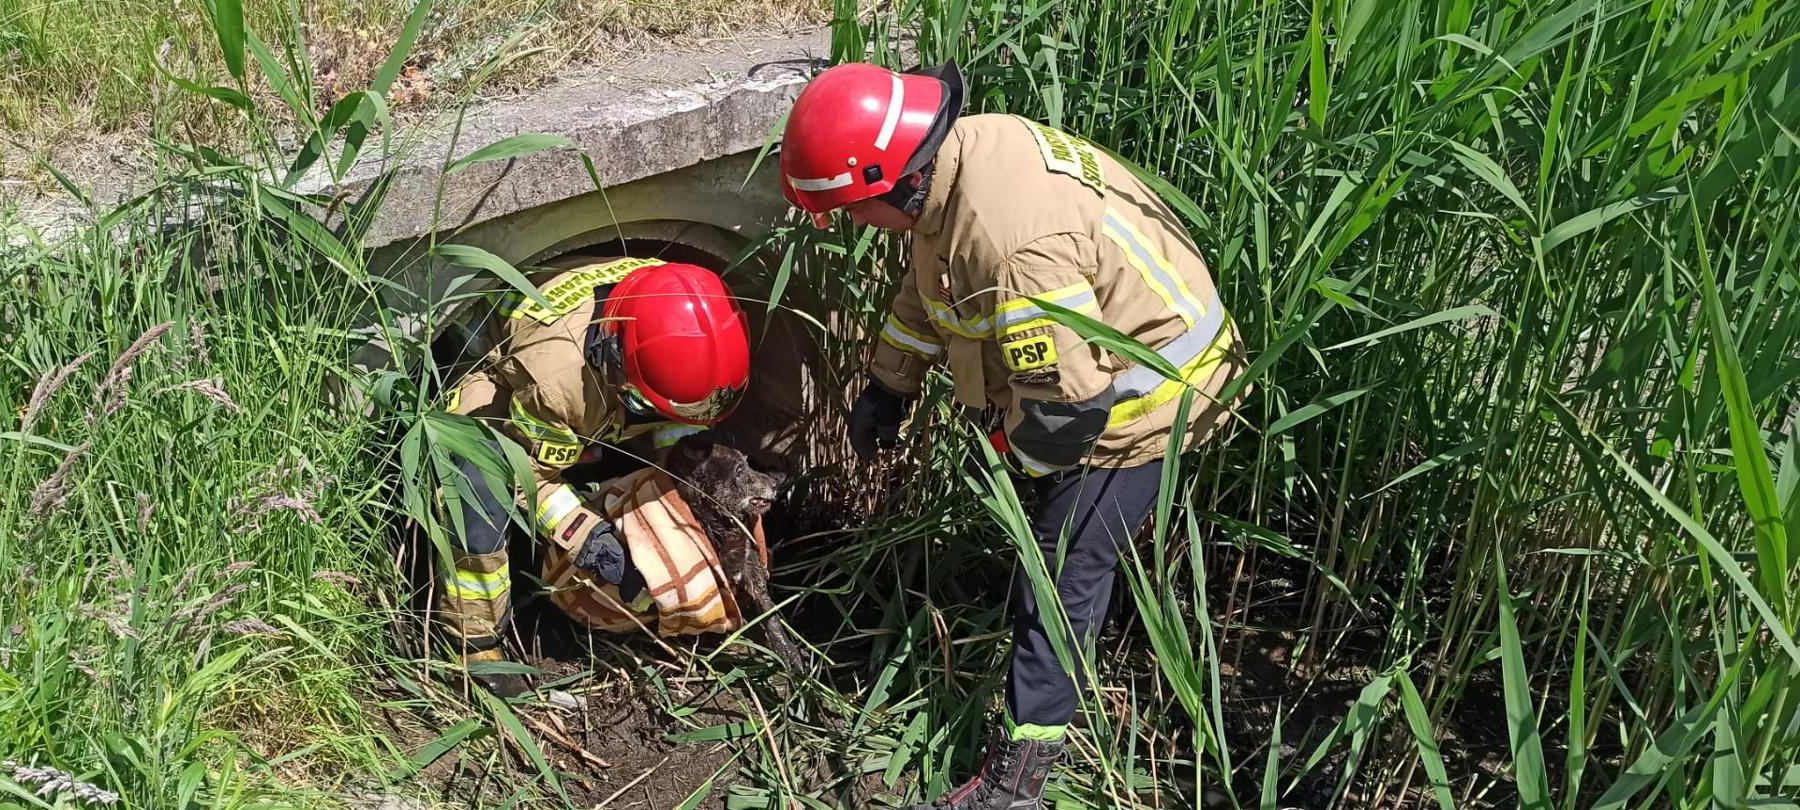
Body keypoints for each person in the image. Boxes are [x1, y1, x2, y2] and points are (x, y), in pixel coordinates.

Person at [778, 61, 1248, 809]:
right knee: (1070, 551)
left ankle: (1016, 784)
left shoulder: (1010, 245)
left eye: (859, 211)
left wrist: (1020, 471)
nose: (859, 227)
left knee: (1058, 575)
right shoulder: (962, 161)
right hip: (1102, 370)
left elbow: (1063, 417)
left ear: (897, 179)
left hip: (1148, 403)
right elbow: (928, 284)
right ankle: (1106, 640)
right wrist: (887, 383)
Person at [432, 255, 751, 697]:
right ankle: (477, 643)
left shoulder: (681, 305)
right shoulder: (558, 382)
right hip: (497, 374)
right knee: (478, 488)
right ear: (617, 365)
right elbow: (530, 475)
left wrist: (691, 482)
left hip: (596, 382)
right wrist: (588, 536)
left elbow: (681, 417)